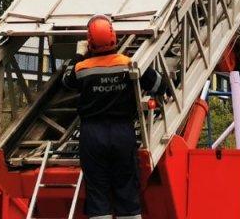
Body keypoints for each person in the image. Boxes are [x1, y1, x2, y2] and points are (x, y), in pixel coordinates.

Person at [63, 15, 168, 219]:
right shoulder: (128, 64)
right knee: (127, 189)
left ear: (90, 42)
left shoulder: (82, 69)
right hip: (122, 133)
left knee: (98, 192)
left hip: (92, 134)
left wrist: (79, 54)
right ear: (115, 38)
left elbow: (66, 81)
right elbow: (159, 85)